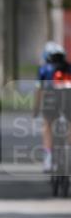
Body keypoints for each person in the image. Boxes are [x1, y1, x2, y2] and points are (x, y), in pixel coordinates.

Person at [34, 41, 71, 172]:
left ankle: (48, 159)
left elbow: (39, 91)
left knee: (47, 126)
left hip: (50, 102)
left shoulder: (44, 69)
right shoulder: (68, 67)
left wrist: (36, 109)